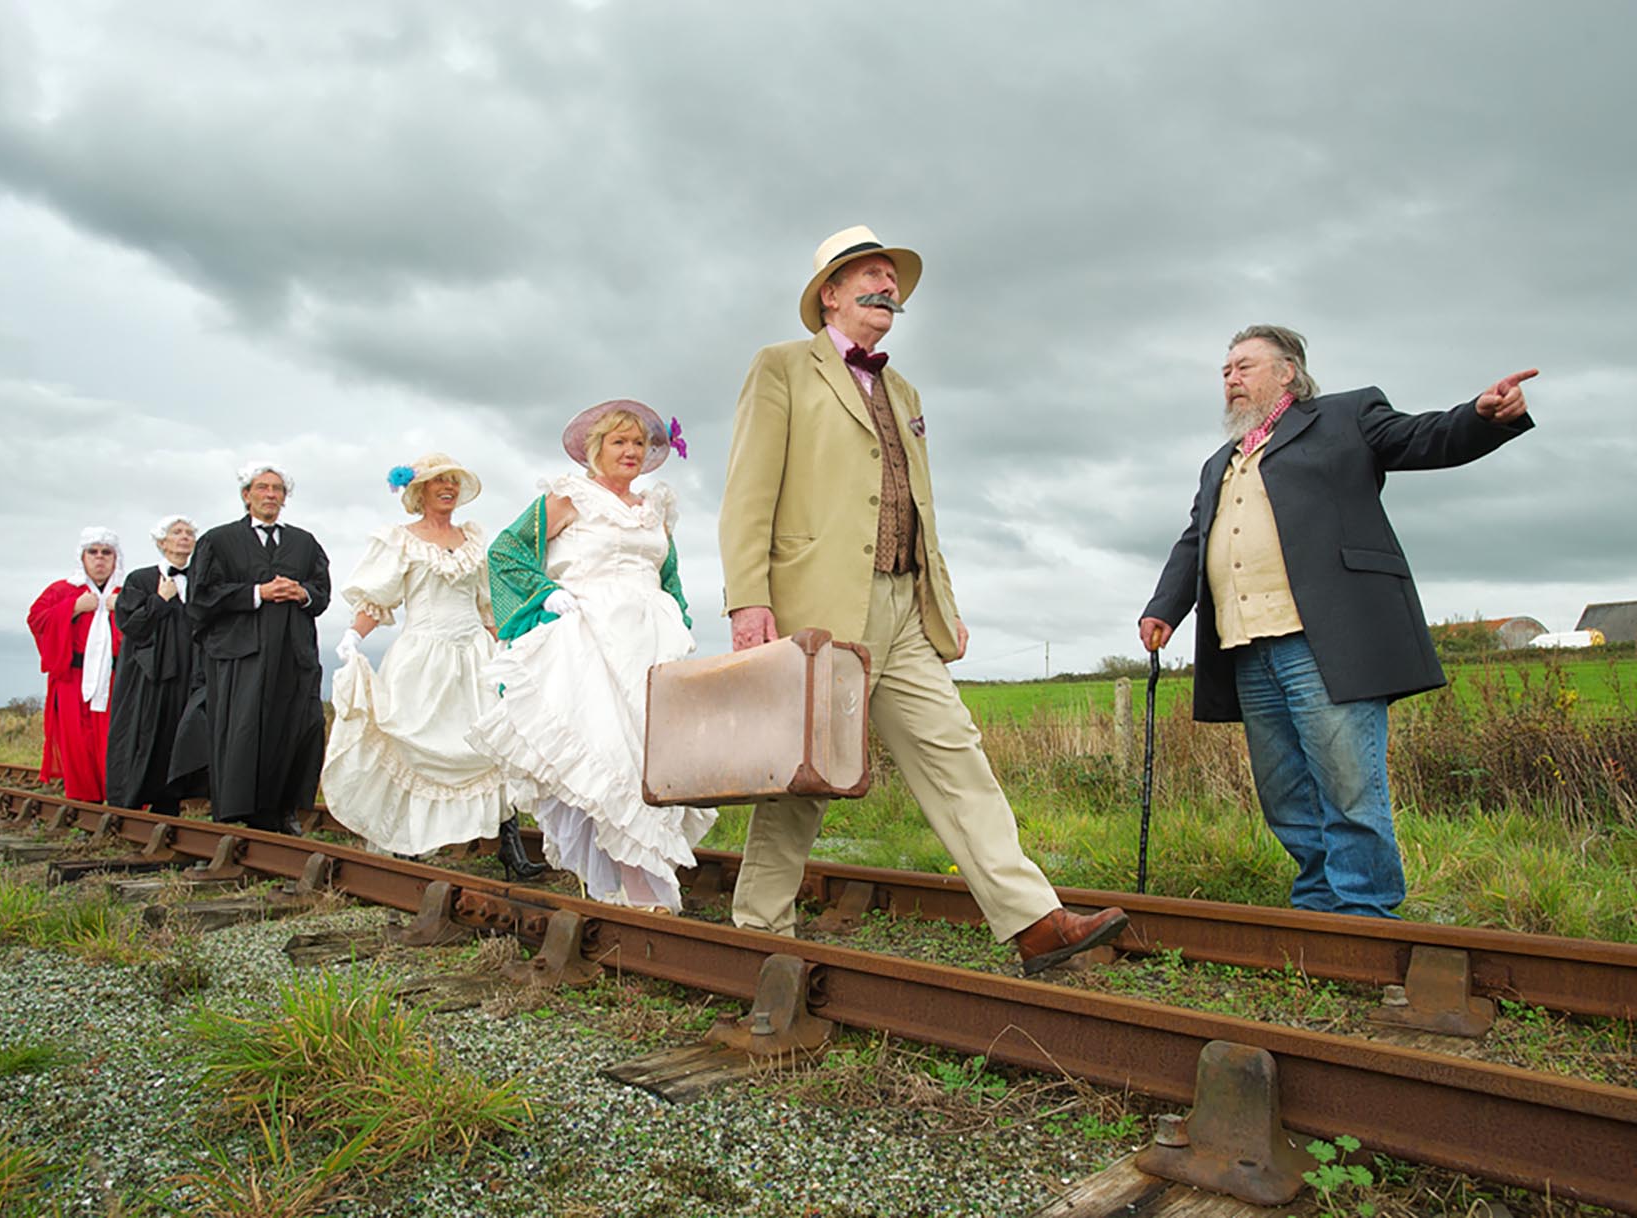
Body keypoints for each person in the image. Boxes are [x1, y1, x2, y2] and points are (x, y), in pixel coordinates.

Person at [719, 225, 1126, 975]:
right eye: (868, 276)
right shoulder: (780, 368)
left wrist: (944, 598)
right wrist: (748, 599)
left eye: (892, 278)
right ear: (830, 295)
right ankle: (760, 933)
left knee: (955, 757)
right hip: (817, 607)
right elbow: (748, 491)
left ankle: (1034, 921)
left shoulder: (903, 391)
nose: (886, 287)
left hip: (905, 610)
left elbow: (919, 505)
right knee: (802, 783)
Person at [1139, 325, 1537, 918]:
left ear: (1288, 374)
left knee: (1350, 788)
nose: (1230, 380)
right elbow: (1197, 538)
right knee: (1285, 795)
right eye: (1225, 371)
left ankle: (1365, 917)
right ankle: (1319, 909)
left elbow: (1423, 437)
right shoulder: (1220, 461)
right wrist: (1163, 607)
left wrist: (1482, 416)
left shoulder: (1346, 416)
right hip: (1247, 646)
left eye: (1245, 367)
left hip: (1324, 640)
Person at [468, 400, 707, 910]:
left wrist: (681, 621)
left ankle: (641, 881)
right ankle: (641, 890)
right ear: (596, 449)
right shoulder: (569, 497)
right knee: (609, 752)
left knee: (654, 755)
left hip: (652, 640)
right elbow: (506, 552)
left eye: (638, 443)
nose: (630, 451)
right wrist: (546, 595)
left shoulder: (656, 508)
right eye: (619, 442)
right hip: (591, 634)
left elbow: (670, 576)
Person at [322, 454, 536, 874]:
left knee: (492, 741)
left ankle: (510, 846)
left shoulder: (473, 539)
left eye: (453, 481)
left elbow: (486, 605)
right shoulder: (399, 540)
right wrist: (353, 636)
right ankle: (409, 846)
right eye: (439, 482)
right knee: (416, 744)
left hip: (473, 652)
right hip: (423, 655)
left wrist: (506, 646)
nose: (448, 488)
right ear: (419, 491)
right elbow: (377, 598)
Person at [187, 462, 331, 833]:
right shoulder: (218, 541)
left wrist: (302, 593)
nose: (271, 495)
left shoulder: (304, 542)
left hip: (293, 653)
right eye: (263, 488)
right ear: (246, 495)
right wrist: (257, 593)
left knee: (297, 728)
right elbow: (200, 598)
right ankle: (236, 813)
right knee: (242, 731)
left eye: (278, 489)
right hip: (240, 656)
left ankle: (286, 810)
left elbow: (322, 593)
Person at [105, 515, 206, 815]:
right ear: (162, 542)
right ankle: (130, 801)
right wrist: (160, 600)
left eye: (189, 533)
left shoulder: (201, 581)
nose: (184, 537)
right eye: (177, 532)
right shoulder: (140, 580)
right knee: (146, 732)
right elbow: (131, 625)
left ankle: (172, 801)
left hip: (191, 671)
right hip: (151, 676)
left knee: (182, 733)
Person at [27, 527, 124, 801]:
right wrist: (73, 608)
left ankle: (118, 795)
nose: (100, 558)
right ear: (82, 557)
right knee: (77, 740)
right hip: (73, 678)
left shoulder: (126, 591)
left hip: (116, 677)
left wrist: (125, 609)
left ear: (115, 559)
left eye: (106, 552)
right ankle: (84, 798)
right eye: (93, 552)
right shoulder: (63, 590)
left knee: (113, 738)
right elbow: (36, 619)